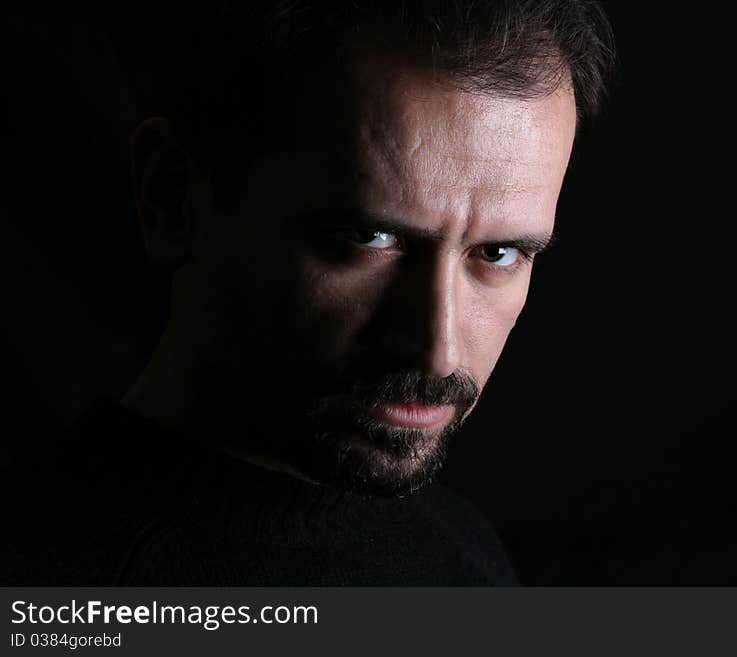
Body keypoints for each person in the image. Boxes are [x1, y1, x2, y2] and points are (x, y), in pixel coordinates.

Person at [3, 0, 613, 585]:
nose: (438, 351)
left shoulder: (457, 542)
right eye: (367, 236)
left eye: (498, 253)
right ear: (171, 199)